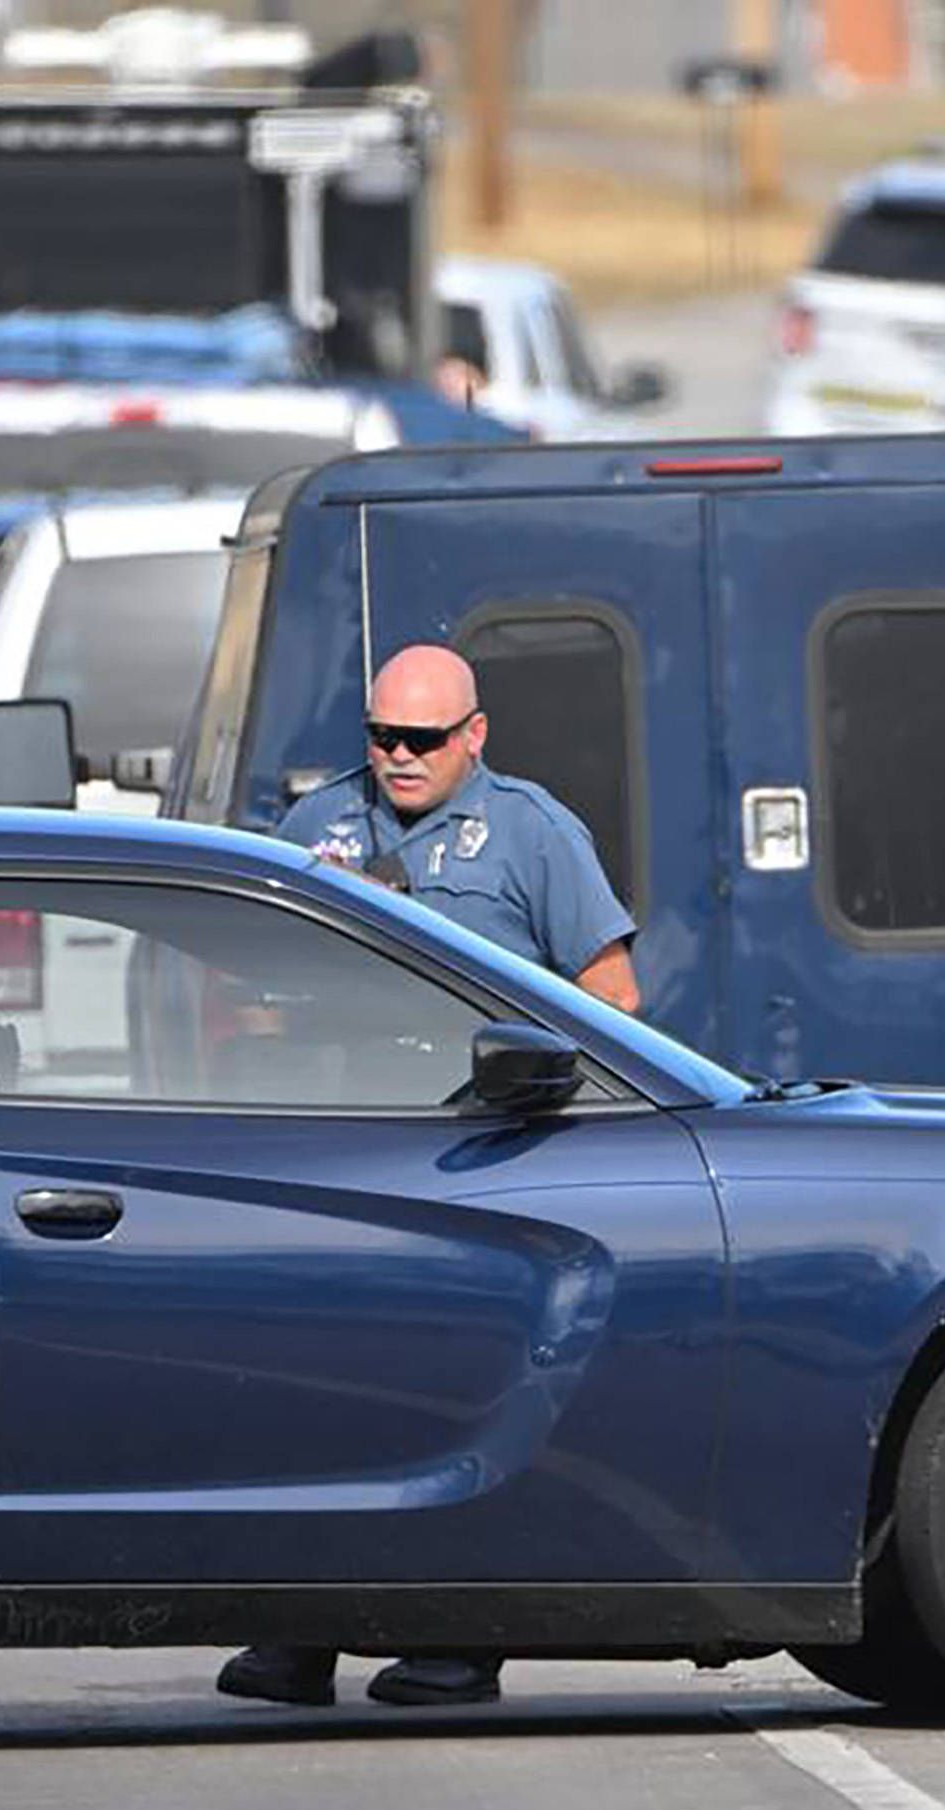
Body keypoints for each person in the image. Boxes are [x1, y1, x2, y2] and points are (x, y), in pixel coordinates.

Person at [214, 646, 639, 1714]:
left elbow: (612, 999)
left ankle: (453, 1639)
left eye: (423, 741)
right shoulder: (318, 829)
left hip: (473, 1160)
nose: (398, 758)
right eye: (382, 736)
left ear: (475, 735)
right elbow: (242, 992)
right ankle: (297, 1632)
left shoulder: (533, 832)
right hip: (333, 1158)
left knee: (441, 1397)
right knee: (312, 1398)